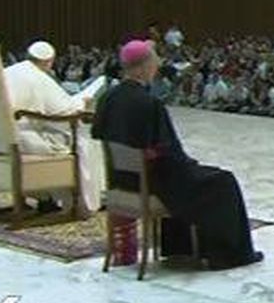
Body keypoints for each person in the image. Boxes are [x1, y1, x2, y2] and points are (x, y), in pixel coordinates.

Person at [91, 40, 264, 270]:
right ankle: (230, 255)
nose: (156, 67)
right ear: (143, 66)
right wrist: (191, 166)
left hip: (122, 179)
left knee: (199, 177)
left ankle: (179, 248)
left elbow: (101, 135)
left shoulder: (108, 98)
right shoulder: (148, 103)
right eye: (154, 62)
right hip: (153, 181)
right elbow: (169, 152)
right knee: (223, 182)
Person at [3, 41, 103, 212]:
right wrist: (82, 102)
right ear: (48, 61)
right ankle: (81, 201)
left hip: (1, 139)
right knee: (84, 140)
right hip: (28, 142)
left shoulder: (7, 72)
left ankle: (45, 197)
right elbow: (65, 112)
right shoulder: (38, 77)